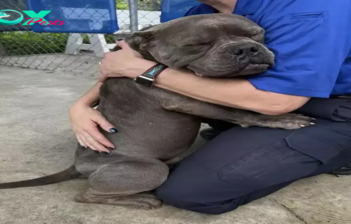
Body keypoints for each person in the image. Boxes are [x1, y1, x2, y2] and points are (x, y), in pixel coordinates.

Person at [69, 0, 351, 215]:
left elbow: (279, 102)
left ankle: (338, 153)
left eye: (254, 39)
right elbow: (128, 62)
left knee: (192, 192)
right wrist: (81, 105)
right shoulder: (198, 12)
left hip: (329, 107)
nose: (246, 48)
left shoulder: (313, 7)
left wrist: (149, 72)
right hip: (255, 100)